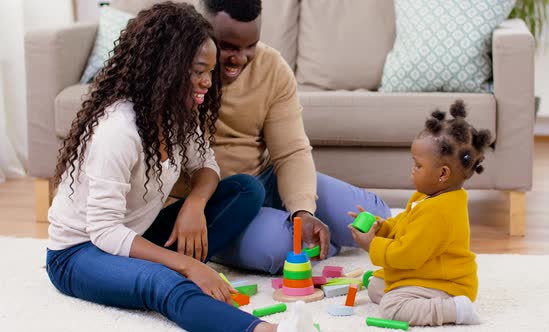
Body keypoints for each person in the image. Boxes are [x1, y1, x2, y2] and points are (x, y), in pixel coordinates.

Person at [45, 3, 312, 331]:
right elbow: (104, 231)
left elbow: (206, 164)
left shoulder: (176, 116)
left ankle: (171, 269)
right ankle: (262, 330)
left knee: (245, 189)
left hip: (136, 235)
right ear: (167, 67)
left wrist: (196, 205)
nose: (207, 82)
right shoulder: (119, 131)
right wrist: (186, 265)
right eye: (199, 71)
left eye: (209, 73)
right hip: (81, 252)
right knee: (163, 283)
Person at [192, 0, 391, 274]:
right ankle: (305, 238)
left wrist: (303, 212)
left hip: (265, 180)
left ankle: (301, 227)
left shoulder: (271, 66)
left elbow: (291, 152)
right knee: (284, 246)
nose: (241, 59)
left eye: (250, 45)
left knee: (374, 217)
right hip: (218, 201)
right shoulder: (180, 72)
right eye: (228, 46)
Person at [348, 100, 492, 326]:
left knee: (392, 306)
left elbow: (407, 254)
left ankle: (456, 309)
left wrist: (371, 245)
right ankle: (411, 295)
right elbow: (403, 227)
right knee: (377, 286)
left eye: (418, 165)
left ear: (443, 174)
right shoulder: (426, 197)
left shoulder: (439, 213)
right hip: (424, 274)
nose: (412, 170)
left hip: (445, 285)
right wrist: (380, 227)